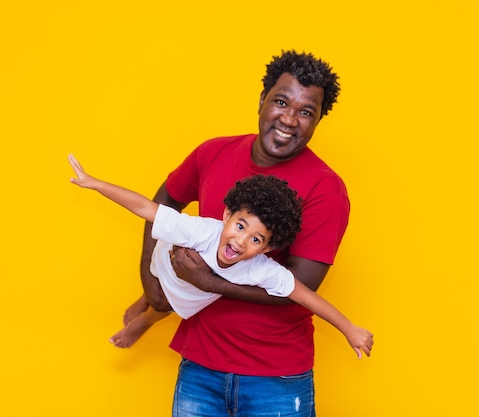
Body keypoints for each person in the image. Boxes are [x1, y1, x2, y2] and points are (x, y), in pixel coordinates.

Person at [126, 50, 372, 417]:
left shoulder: (326, 189)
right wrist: (149, 279)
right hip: (199, 365)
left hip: (275, 377)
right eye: (281, 101)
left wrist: (208, 281)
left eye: (306, 112)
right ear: (262, 100)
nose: (289, 119)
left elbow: (298, 289)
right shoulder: (213, 153)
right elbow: (164, 203)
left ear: (318, 120)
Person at [68, 154, 373, 358]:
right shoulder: (201, 230)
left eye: (255, 239)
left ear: (267, 248)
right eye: (239, 226)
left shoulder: (261, 269)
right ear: (226, 215)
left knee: (171, 303)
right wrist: (95, 183)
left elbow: (307, 297)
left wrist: (349, 329)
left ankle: (147, 319)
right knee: (160, 269)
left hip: (188, 294)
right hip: (168, 260)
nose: (240, 242)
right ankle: (147, 298)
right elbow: (146, 208)